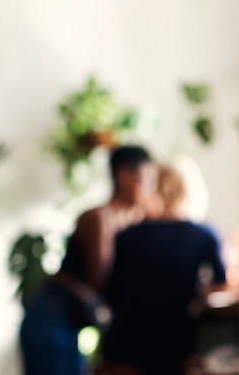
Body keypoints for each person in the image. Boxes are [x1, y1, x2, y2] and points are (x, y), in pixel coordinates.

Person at [21, 145, 158, 375]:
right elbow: (101, 278)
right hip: (51, 318)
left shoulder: (130, 221)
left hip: (70, 322)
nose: (152, 190)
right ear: (124, 177)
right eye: (148, 181)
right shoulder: (99, 218)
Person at [101, 164, 226, 375]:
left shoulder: (127, 235)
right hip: (176, 346)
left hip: (124, 347)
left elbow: (110, 292)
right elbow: (220, 287)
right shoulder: (204, 236)